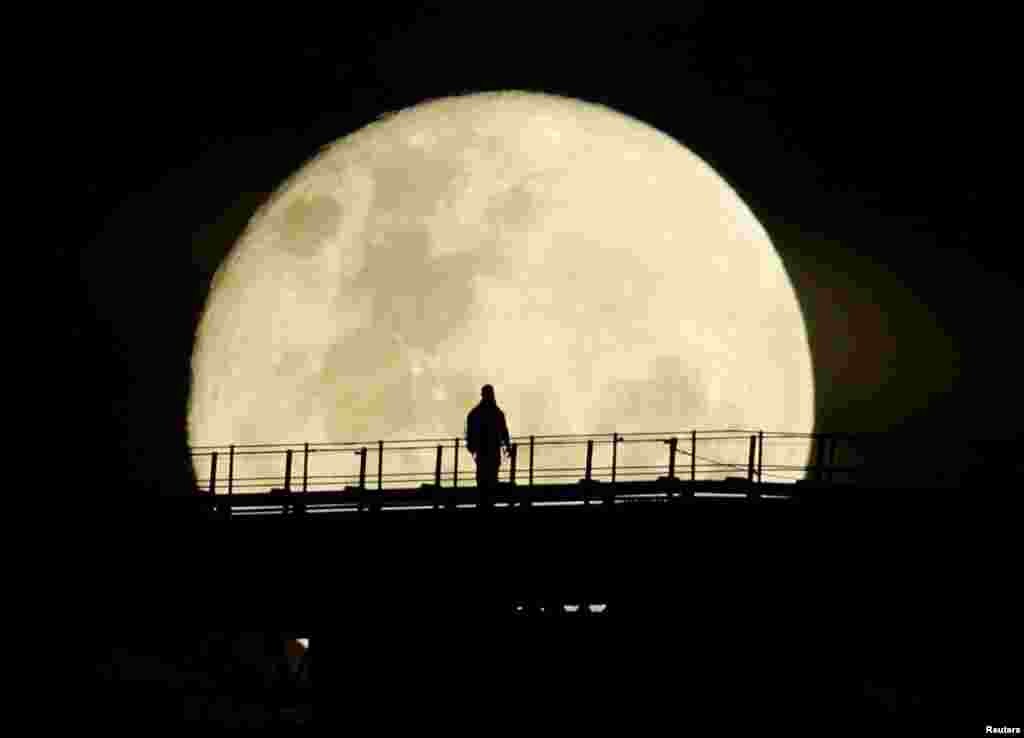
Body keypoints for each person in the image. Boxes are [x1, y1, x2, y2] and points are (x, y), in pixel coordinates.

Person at [465, 384, 512, 509]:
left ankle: (483, 503)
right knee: (491, 477)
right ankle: (488, 503)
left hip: (482, 451)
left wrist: (471, 447)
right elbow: (504, 431)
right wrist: (507, 446)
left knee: (482, 478)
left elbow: (470, 433)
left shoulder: (475, 413)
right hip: (492, 450)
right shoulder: (496, 413)